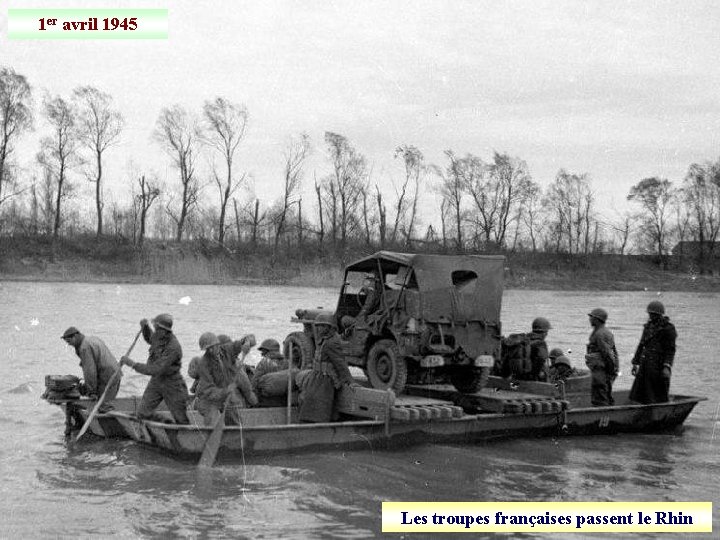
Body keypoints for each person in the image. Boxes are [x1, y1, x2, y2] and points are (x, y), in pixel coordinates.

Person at [120, 313, 189, 424]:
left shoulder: (174, 347)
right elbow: (150, 339)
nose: (155, 330)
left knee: (181, 419)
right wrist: (145, 328)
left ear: (163, 330)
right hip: (156, 382)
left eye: (156, 327)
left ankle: (182, 435)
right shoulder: (159, 336)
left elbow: (156, 369)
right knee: (142, 414)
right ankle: (165, 423)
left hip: (172, 384)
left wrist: (132, 364)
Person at [298, 313, 355, 423]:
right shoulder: (325, 339)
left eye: (322, 326)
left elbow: (340, 363)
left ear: (330, 327)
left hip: (325, 380)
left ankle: (318, 426)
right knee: (309, 403)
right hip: (318, 376)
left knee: (319, 407)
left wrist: (350, 381)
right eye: (318, 326)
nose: (319, 329)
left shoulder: (332, 342)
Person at [194, 332, 257, 426]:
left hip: (228, 397)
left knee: (233, 408)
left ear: (218, 344)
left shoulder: (227, 350)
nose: (211, 350)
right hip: (210, 398)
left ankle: (236, 434)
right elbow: (208, 389)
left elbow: (249, 340)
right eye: (208, 349)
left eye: (213, 347)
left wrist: (247, 343)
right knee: (212, 419)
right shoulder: (204, 364)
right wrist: (225, 391)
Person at [61, 326, 121, 412]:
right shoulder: (91, 339)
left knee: (103, 407)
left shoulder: (84, 348)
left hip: (107, 377)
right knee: (104, 404)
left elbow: (90, 371)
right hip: (115, 373)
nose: (69, 344)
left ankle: (111, 423)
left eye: (69, 341)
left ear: (75, 336)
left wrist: (91, 391)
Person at [629, 301, 677, 404]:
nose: (651, 316)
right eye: (650, 314)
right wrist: (635, 363)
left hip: (658, 365)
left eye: (654, 314)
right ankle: (643, 408)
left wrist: (667, 366)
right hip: (645, 364)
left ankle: (659, 408)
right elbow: (641, 345)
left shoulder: (668, 329)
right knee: (641, 391)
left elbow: (670, 350)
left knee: (658, 392)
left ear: (660, 315)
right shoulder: (648, 327)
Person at [585, 308, 619, 406]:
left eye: (592, 317)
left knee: (600, 392)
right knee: (601, 391)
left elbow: (607, 353)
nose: (590, 320)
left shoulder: (600, 334)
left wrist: (610, 370)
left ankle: (603, 413)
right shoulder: (600, 332)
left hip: (601, 369)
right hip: (600, 368)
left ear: (597, 319)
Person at [528, 317, 551, 381]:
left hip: (519, 377)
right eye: (547, 331)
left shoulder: (525, 340)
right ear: (543, 332)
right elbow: (541, 359)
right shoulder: (541, 344)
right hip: (533, 380)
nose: (547, 334)